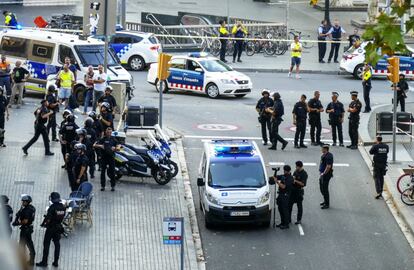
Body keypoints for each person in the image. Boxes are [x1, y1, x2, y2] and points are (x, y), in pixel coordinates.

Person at [36, 192, 66, 268]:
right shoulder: (62, 207)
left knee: (46, 244)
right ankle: (56, 262)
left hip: (51, 228)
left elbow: (48, 219)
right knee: (57, 244)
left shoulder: (52, 207)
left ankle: (44, 262)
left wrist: (44, 224)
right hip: (58, 227)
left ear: (52, 199)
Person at [12, 194, 36, 266]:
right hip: (28, 229)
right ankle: (31, 260)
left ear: (27, 202)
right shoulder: (31, 208)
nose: (22, 203)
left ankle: (22, 261)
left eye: (23, 201)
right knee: (29, 244)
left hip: (25, 230)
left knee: (22, 245)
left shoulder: (27, 211)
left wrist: (18, 223)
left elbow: (25, 221)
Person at [94, 127, 120, 191]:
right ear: (106, 132)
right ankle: (103, 186)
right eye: (108, 132)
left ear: (111, 133)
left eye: (110, 132)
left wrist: (116, 148)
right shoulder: (103, 139)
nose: (109, 133)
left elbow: (119, 147)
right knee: (102, 172)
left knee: (112, 172)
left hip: (111, 157)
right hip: (104, 158)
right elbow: (94, 145)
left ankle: (113, 186)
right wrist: (100, 146)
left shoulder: (114, 139)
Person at [274, 165, 293, 229]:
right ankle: (282, 222)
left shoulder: (290, 178)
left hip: (285, 196)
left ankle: (286, 224)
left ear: (287, 171)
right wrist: (275, 172)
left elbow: (283, 186)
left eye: (285, 171)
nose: (284, 172)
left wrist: (277, 182)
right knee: (280, 209)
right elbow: (276, 177)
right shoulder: (283, 176)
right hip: (281, 195)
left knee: (285, 210)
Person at [319, 145, 334, 209]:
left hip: (326, 175)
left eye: (322, 149)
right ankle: (325, 200)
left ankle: (327, 204)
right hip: (322, 174)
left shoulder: (329, 156)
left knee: (325, 189)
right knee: (321, 187)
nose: (321, 150)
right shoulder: (324, 155)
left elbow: (328, 166)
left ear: (325, 149)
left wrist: (323, 173)